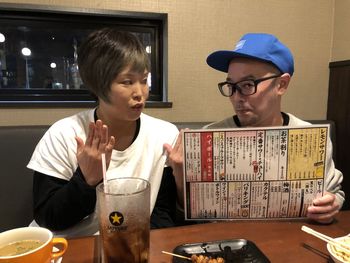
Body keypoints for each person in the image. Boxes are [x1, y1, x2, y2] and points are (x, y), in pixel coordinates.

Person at [164, 33, 344, 224]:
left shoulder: (309, 138)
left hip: (292, 243)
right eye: (231, 85)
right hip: (229, 246)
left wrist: (331, 205)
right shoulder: (210, 139)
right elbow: (189, 221)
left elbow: (334, 194)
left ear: (281, 84)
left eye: (248, 84)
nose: (237, 97)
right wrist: (182, 180)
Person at [27, 28, 179, 237]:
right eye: (127, 82)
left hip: (127, 247)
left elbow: (162, 212)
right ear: (98, 85)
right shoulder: (64, 134)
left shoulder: (164, 134)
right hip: (67, 247)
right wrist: (86, 180)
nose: (140, 93)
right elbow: (48, 218)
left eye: (144, 80)